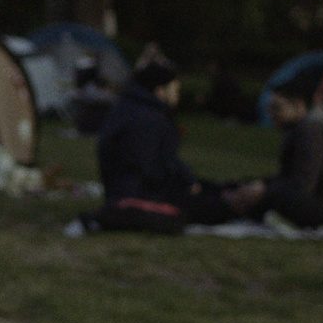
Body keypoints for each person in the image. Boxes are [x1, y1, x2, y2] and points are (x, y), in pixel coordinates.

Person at [94, 58, 234, 224]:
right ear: (160, 90)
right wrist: (187, 182)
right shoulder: (147, 119)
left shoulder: (133, 108)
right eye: (175, 89)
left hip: (130, 190)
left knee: (216, 189)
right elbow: (150, 168)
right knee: (217, 205)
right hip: (139, 196)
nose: (177, 94)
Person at [223, 72, 323, 228]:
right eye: (270, 109)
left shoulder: (311, 131)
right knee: (244, 187)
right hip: (321, 199)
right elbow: (288, 177)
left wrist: (264, 191)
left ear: (299, 105)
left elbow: (302, 185)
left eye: (276, 109)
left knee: (269, 197)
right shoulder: (298, 130)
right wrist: (260, 184)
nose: (271, 115)